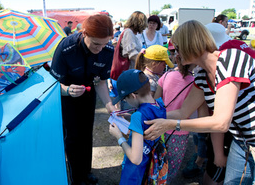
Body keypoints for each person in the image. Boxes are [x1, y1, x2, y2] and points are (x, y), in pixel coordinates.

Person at [144, 20, 255, 184]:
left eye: (179, 49)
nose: (177, 55)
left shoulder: (229, 59)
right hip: (242, 142)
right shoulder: (202, 77)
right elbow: (183, 112)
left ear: (190, 44)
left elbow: (221, 122)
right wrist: (144, 114)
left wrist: (170, 124)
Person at [50, 14, 117, 185]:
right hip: (66, 95)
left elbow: (101, 82)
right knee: (72, 137)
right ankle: (76, 177)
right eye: (96, 44)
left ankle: (86, 171)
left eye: (104, 44)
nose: (100, 49)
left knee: (86, 134)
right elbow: (53, 85)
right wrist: (66, 90)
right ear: (84, 33)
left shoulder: (107, 50)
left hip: (88, 93)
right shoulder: (66, 48)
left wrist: (109, 104)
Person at [109, 69, 166, 185]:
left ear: (133, 95)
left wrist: (119, 137)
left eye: (125, 98)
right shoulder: (159, 104)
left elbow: (135, 159)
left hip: (134, 174)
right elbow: (147, 119)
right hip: (151, 165)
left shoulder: (137, 117)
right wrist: (129, 116)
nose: (125, 101)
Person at [154, 54, 196, 184]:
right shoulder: (195, 83)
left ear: (176, 59)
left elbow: (156, 100)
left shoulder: (165, 76)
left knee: (156, 160)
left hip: (159, 126)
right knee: (171, 165)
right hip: (180, 131)